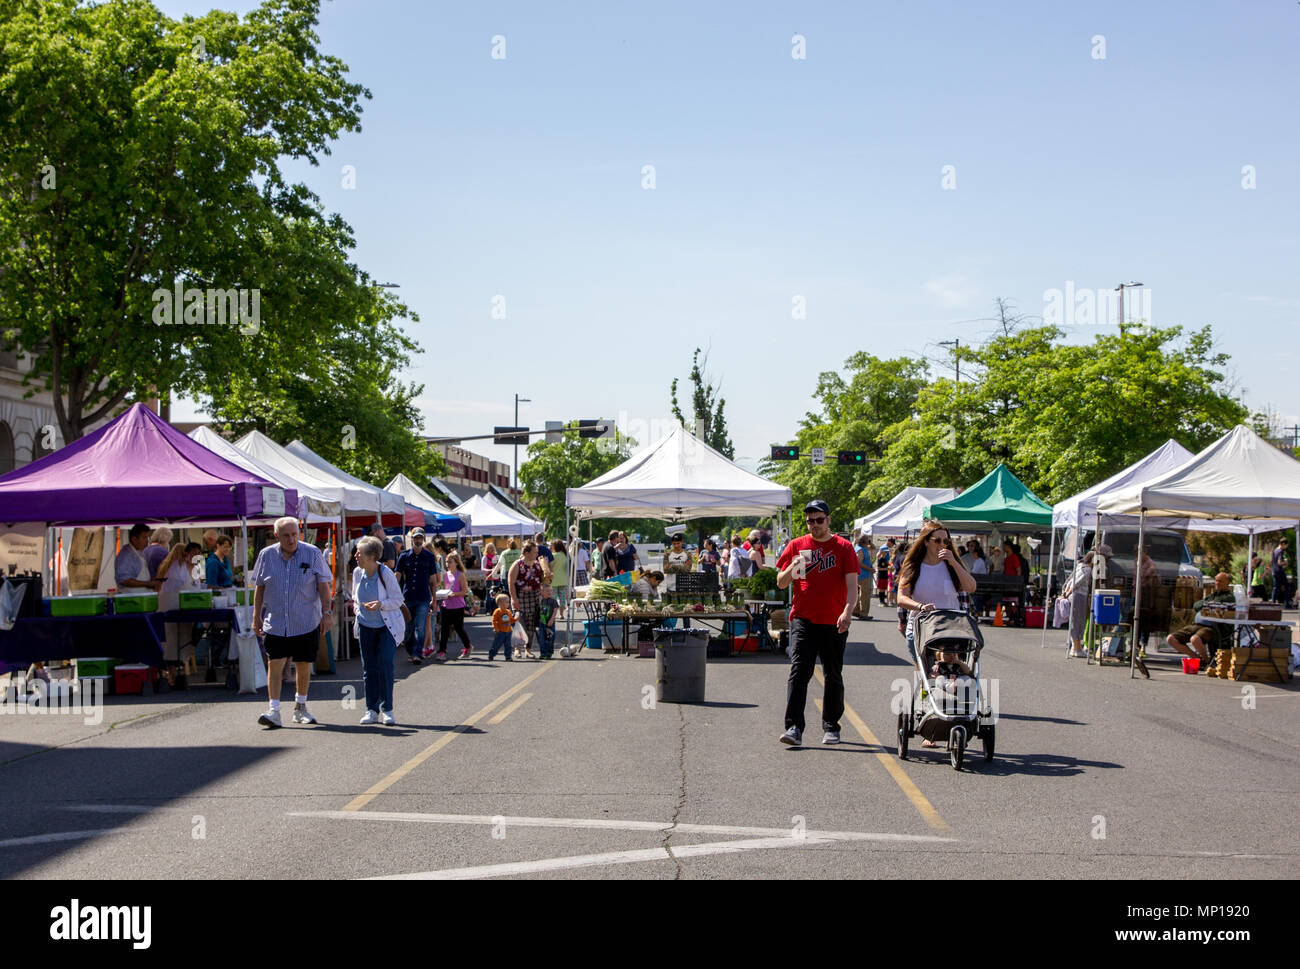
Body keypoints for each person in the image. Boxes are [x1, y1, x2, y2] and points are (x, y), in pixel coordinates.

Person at [775, 500, 859, 747]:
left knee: (833, 673)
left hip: (834, 620)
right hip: (804, 618)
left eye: (819, 519)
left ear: (828, 519)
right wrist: (793, 566)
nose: (814, 525)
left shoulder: (843, 547)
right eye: (810, 520)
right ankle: (793, 727)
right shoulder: (797, 545)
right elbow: (781, 582)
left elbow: (853, 585)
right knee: (800, 672)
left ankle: (831, 725)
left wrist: (848, 611)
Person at [896, 520, 977, 746]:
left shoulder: (951, 564)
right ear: (926, 542)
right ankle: (928, 720)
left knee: (951, 674)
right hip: (923, 627)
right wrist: (920, 607)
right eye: (938, 540)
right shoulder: (913, 566)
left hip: (951, 629)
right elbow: (901, 597)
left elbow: (971, 587)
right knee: (927, 675)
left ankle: (954, 715)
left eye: (946, 540)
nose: (943, 544)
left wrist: (953, 561)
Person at [252, 516, 333, 728]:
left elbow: (323, 585)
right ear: (276, 535)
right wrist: (256, 617)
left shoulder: (312, 553)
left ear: (300, 534)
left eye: (294, 535)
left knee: (303, 664)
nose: (291, 540)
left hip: (305, 620)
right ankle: (274, 710)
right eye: (286, 535)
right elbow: (260, 587)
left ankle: (300, 707)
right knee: (275, 663)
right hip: (276, 620)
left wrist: (327, 612)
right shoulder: (266, 555)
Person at [351, 535, 405, 725]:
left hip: (385, 627)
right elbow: (355, 599)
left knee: (385, 666)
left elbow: (398, 600)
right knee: (369, 668)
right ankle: (371, 709)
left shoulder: (386, 573)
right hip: (366, 626)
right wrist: (359, 611)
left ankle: (387, 709)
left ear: (372, 556)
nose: (356, 555)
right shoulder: (357, 573)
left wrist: (380, 604)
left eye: (360, 552)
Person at [1165, 572, 1236, 670]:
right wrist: (1207, 603)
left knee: (1195, 639)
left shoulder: (1228, 597)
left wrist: (1207, 604)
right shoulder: (1213, 595)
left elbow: (1216, 606)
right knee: (1171, 639)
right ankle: (1197, 658)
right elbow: (1196, 605)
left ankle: (1206, 660)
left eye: (1220, 581)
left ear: (1227, 583)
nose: (1217, 583)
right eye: (1216, 581)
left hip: (1212, 627)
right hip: (1197, 624)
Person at [156, 542, 203, 688]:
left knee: (184, 638)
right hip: (171, 609)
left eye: (198, 554)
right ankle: (171, 674)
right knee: (171, 641)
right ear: (186, 554)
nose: (196, 557)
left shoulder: (197, 568)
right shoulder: (177, 567)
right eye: (193, 553)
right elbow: (173, 588)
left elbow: (200, 586)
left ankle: (179, 671)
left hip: (187, 610)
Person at [396, 528, 438, 665]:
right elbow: (397, 576)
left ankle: (417, 653)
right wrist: (394, 594)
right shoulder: (404, 556)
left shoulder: (429, 557)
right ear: (412, 539)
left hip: (423, 597)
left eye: (420, 538)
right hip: (408, 596)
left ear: (423, 539)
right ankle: (411, 651)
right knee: (408, 628)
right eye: (416, 538)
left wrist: (434, 599)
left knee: (420, 626)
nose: (418, 540)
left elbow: (433, 580)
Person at [1063, 545, 1111, 657]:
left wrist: (1065, 591)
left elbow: (1070, 579)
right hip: (1079, 596)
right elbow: (1077, 582)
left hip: (1074, 595)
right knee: (1079, 622)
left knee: (1075, 621)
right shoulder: (1088, 570)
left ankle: (1076, 648)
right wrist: (1069, 591)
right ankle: (1077, 648)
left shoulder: (1080, 565)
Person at [508, 541, 545, 660]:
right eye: (534, 552)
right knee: (520, 623)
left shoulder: (537, 564)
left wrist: (548, 574)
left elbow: (542, 580)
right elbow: (511, 583)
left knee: (531, 626)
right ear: (527, 552)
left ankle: (528, 649)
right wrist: (514, 599)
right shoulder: (517, 564)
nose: (536, 554)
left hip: (534, 596)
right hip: (521, 596)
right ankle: (518, 649)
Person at [438, 551, 475, 660]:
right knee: (444, 629)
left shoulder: (460, 575)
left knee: (458, 628)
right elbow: (445, 588)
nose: (447, 564)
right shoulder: (445, 575)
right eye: (446, 562)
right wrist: (442, 595)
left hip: (458, 606)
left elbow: (464, 591)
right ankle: (442, 651)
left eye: (450, 562)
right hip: (446, 605)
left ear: (456, 563)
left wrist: (454, 594)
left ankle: (468, 647)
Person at [116, 523, 162, 591]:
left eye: (147, 538)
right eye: (144, 538)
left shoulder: (139, 553)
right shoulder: (126, 555)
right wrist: (148, 583)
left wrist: (150, 581)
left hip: (142, 598)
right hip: (132, 599)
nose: (147, 541)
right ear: (134, 539)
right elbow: (124, 580)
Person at [489, 594, 516, 662]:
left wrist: (516, 619)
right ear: (500, 603)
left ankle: (508, 657)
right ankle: (492, 654)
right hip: (500, 632)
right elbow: (494, 620)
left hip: (508, 631)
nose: (508, 603)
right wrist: (496, 628)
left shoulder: (508, 611)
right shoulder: (497, 611)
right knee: (496, 645)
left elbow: (511, 620)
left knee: (508, 645)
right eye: (506, 602)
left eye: (508, 602)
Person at [536, 582, 561, 659]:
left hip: (550, 622)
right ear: (542, 592)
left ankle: (549, 652)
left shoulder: (553, 601)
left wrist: (552, 619)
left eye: (550, 591)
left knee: (550, 638)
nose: (549, 592)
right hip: (542, 622)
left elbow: (555, 610)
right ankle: (543, 653)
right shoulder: (541, 600)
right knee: (542, 638)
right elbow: (539, 610)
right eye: (547, 591)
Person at [854, 534, 873, 620]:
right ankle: (863, 613)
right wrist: (870, 569)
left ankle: (857, 610)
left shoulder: (860, 548)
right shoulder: (861, 550)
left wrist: (869, 542)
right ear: (864, 541)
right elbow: (859, 563)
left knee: (859, 594)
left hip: (861, 574)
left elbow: (873, 547)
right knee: (865, 594)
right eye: (868, 539)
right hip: (863, 574)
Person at [549, 539, 570, 605]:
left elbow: (550, 567)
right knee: (562, 599)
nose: (550, 547)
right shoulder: (566, 555)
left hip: (554, 580)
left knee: (554, 599)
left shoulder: (553, 556)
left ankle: (554, 614)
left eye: (551, 545)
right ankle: (561, 614)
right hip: (564, 580)